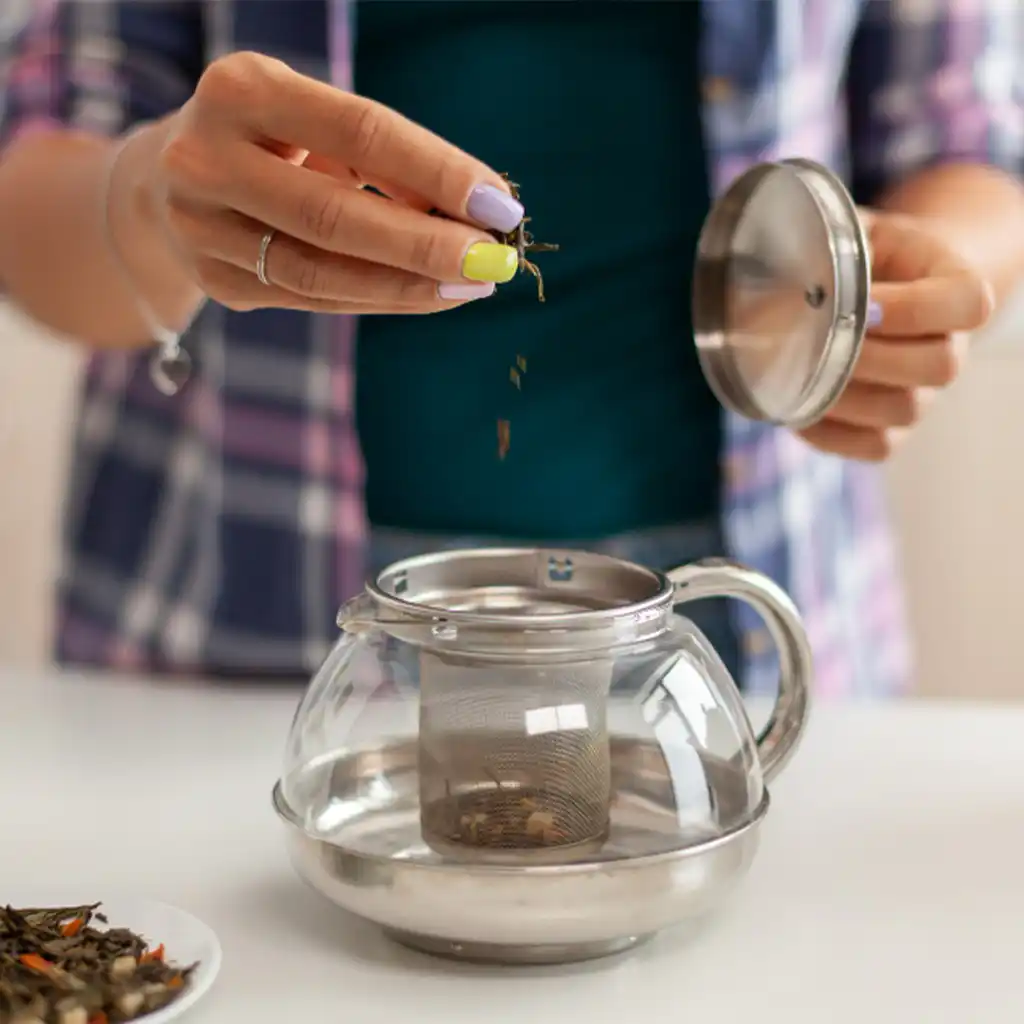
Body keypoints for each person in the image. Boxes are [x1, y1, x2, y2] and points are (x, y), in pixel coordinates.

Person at [0, 0, 1021, 696]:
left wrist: (897, 292)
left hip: (741, 628)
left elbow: (969, 139)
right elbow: (38, 175)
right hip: (237, 630)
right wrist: (153, 197)